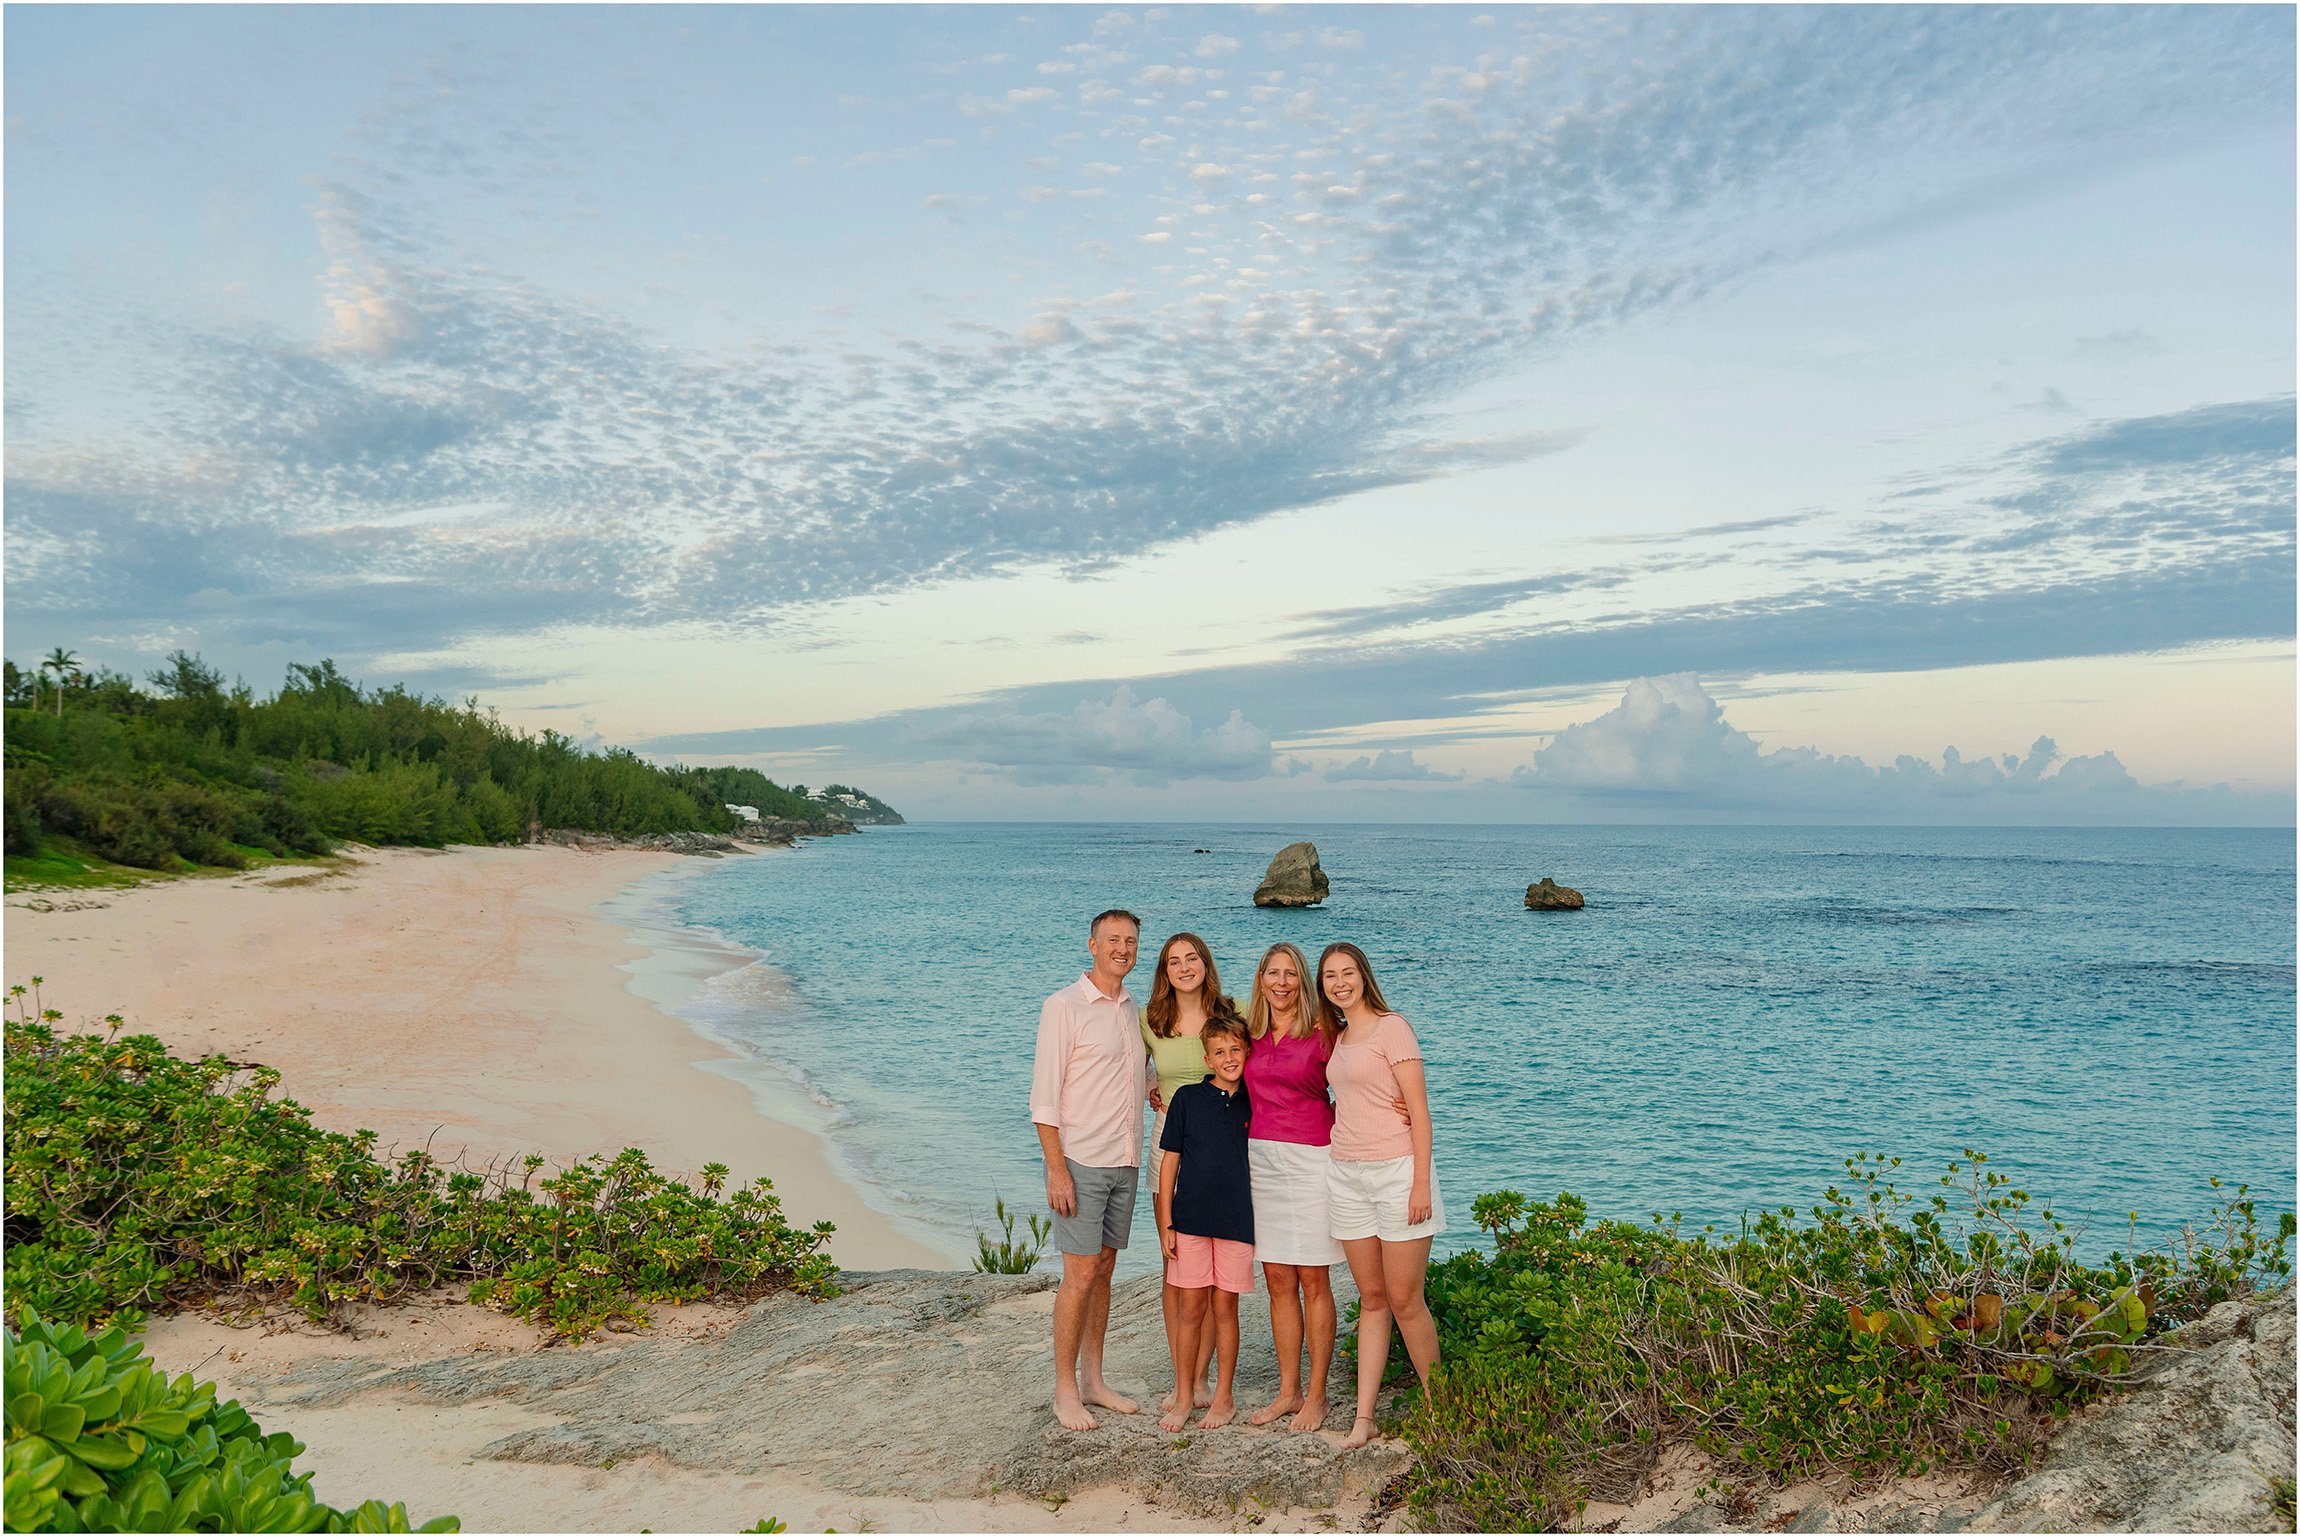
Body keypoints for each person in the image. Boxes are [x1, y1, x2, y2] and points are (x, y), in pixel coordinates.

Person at [1318, 941, 1444, 1451]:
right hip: (1347, 1175)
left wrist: (1419, 1184)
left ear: (1364, 977)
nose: (1340, 982)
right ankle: (1363, 1419)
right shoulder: (1339, 1037)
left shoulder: (1394, 1027)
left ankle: (1443, 1409)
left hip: (1398, 1174)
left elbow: (1420, 1109)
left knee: (1405, 1299)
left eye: (1348, 972)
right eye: (1329, 976)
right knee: (1371, 1298)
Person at [1029, 908, 1149, 1432]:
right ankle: (1065, 1390)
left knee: (1104, 1270)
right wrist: (1056, 1171)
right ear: (1092, 946)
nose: (1123, 948)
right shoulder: (1064, 1006)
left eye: (1130, 941)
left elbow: (1137, 1077)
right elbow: (1044, 1100)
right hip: (1080, 1161)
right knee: (1078, 1276)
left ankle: (1096, 1380)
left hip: (1125, 1159)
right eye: (1113, 940)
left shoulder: (1131, 1007)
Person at [1240, 941, 1345, 1434]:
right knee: (1278, 1280)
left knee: (1313, 1280)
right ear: (1260, 979)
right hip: (1260, 1161)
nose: (1281, 983)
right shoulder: (1249, 1033)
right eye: (1272, 973)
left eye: (1291, 975)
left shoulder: (1325, 1033)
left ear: (1302, 982)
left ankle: (1318, 1395)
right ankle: (1289, 1391)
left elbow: (1355, 1085)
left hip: (1312, 1161)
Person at [1154, 1012, 1255, 1433]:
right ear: (1207, 1059)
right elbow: (1169, 1165)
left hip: (1236, 1222)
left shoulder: (1255, 1099)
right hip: (1190, 1219)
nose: (1229, 1057)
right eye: (1219, 1052)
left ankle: (1224, 1397)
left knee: (1225, 1307)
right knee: (1191, 1307)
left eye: (1236, 1049)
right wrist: (1166, 1224)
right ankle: (1183, 1394)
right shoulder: (1187, 1100)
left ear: (1247, 1051)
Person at [1142, 932, 1229, 1413]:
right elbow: (1121, 1065)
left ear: (1204, 963)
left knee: (1214, 1270)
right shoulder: (1150, 1020)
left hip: (1221, 1151)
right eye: (1173, 961)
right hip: (1168, 1148)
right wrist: (1150, 1084)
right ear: (1165, 971)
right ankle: (1181, 1383)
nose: (1184, 967)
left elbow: (1258, 1069)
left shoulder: (1229, 1014)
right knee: (1176, 1266)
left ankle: (1200, 1380)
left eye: (1191, 958)